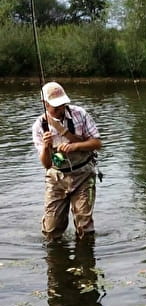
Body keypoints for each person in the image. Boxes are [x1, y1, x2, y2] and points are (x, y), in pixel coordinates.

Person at [32, 81, 102, 241]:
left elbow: (98, 143)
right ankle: (57, 261)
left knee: (85, 228)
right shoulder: (39, 126)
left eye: (62, 104)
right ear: (44, 104)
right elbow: (46, 164)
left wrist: (76, 146)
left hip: (84, 174)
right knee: (51, 231)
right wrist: (46, 147)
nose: (60, 109)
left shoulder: (80, 114)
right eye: (55, 106)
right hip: (56, 178)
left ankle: (85, 260)